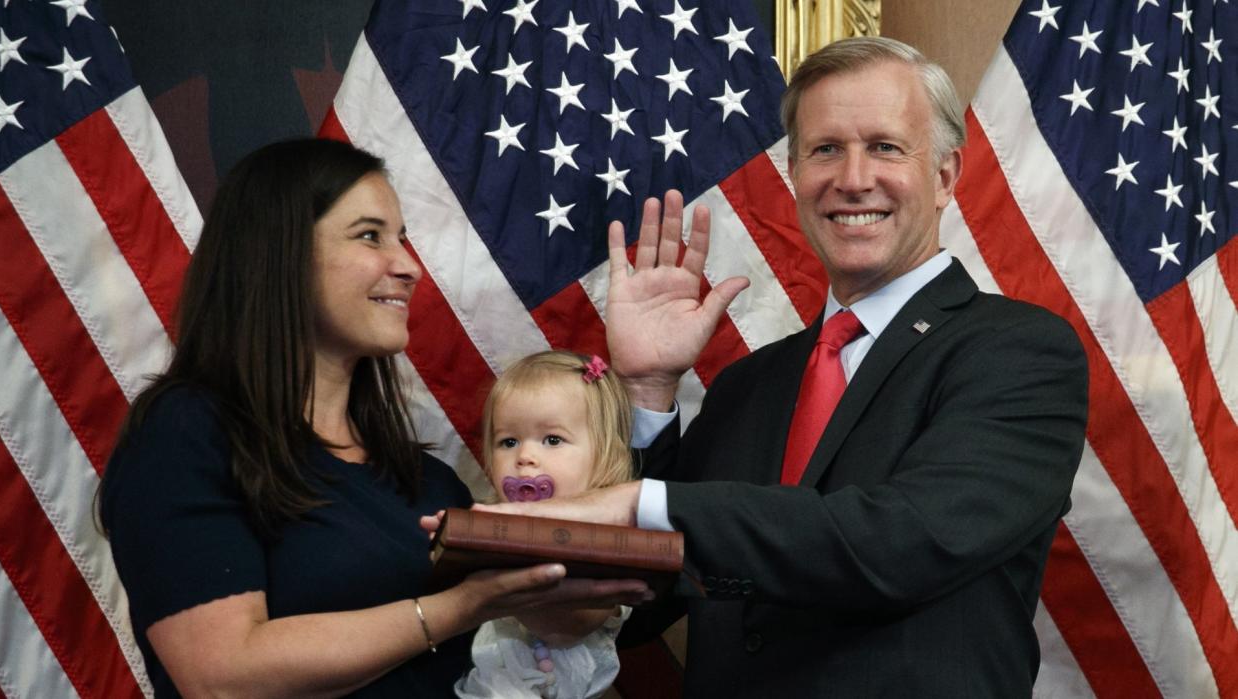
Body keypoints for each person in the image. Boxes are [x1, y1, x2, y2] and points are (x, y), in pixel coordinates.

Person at [477, 37, 1089, 697]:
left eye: (885, 146)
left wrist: (638, 501)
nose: (853, 178)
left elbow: (901, 546)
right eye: (826, 149)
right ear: (795, 173)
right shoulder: (749, 386)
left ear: (943, 176)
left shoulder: (1021, 351)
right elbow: (666, 591)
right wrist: (649, 390)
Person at [99, 138, 648, 698]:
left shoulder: (429, 482)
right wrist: (460, 606)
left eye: (403, 239)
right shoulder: (188, 433)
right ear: (278, 251)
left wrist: (648, 388)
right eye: (370, 236)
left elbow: (566, 622)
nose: (408, 267)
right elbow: (221, 678)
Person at [456, 350, 637, 699]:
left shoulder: (613, 543)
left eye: (552, 440)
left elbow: (570, 627)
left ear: (606, 456)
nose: (524, 457)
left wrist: (499, 572)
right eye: (508, 441)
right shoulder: (492, 525)